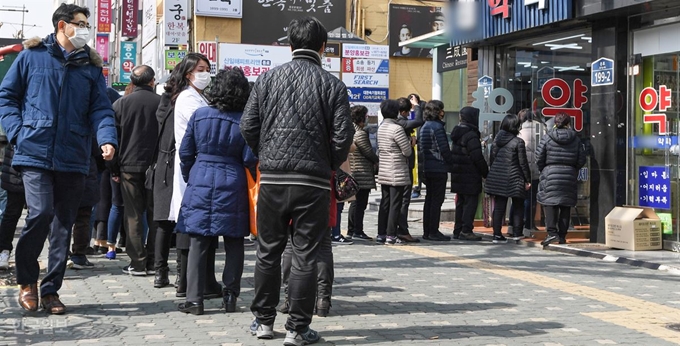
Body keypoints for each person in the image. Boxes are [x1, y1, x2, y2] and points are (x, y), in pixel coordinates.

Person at [241, 16, 353, 345]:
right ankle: (297, 329)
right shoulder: (333, 85)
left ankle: (263, 322)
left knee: (268, 251)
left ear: (289, 45)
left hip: (273, 178)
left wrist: (267, 154)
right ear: (323, 47)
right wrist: (327, 164)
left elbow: (248, 125)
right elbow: (343, 137)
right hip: (314, 182)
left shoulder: (266, 80)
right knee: (306, 253)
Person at [0, 3, 117, 314]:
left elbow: (101, 110)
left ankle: (51, 289)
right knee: (39, 214)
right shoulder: (31, 57)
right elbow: (7, 97)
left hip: (74, 155)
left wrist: (106, 138)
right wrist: (17, 132)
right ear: (63, 25)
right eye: (80, 24)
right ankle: (27, 281)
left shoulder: (90, 68)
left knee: (63, 224)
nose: (85, 30)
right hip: (34, 151)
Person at [176, 68, 257, 315]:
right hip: (233, 181)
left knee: (198, 240)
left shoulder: (200, 115)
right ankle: (230, 296)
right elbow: (249, 158)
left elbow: (185, 152)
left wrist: (192, 176)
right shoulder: (245, 121)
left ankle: (194, 300)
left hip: (200, 176)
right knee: (234, 241)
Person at [111, 65, 161, 278]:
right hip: (157, 167)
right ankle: (154, 261)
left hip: (128, 166)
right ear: (152, 82)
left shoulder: (120, 104)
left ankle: (138, 263)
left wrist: (113, 169)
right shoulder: (163, 104)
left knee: (132, 215)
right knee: (155, 216)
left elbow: (113, 140)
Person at [537, 113, 587, 246]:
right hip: (569, 174)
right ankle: (562, 236)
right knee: (565, 206)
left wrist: (545, 169)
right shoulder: (576, 139)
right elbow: (581, 159)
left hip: (550, 173)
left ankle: (552, 234)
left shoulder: (547, 137)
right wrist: (572, 169)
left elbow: (539, 157)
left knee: (550, 204)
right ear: (568, 123)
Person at [485, 114, 531, 243]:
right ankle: (517, 232)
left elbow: (492, 160)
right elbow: (523, 163)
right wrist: (527, 180)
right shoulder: (518, 142)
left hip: (498, 176)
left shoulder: (496, 140)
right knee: (518, 205)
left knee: (499, 206)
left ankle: (497, 234)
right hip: (515, 176)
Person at [376, 99, 413, 245]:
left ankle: (381, 233)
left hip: (384, 169)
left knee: (385, 202)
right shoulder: (396, 128)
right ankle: (391, 235)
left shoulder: (381, 127)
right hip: (396, 169)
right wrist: (411, 142)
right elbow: (407, 151)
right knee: (395, 203)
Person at [418, 100, 454, 241]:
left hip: (427, 167)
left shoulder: (424, 126)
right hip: (438, 167)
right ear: (438, 111)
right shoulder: (437, 127)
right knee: (437, 201)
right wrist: (451, 163)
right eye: (441, 109)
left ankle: (427, 231)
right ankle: (433, 231)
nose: (443, 112)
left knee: (429, 199)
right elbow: (443, 149)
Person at [450, 107, 488, 241]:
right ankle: (466, 230)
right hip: (470, 175)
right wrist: (485, 172)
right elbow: (477, 157)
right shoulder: (471, 135)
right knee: (470, 203)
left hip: (458, 174)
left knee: (460, 202)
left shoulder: (457, 133)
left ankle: (458, 229)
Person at [394, 96, 423, 243]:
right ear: (404, 112)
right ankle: (402, 230)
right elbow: (418, 121)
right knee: (403, 200)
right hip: (402, 167)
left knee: (394, 201)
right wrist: (417, 106)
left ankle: (390, 231)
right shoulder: (400, 122)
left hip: (392, 169)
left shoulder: (389, 123)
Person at [346, 105, 376, 241]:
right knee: (359, 204)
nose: (367, 118)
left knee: (355, 202)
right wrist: (378, 160)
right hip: (362, 173)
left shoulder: (350, 131)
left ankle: (352, 230)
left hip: (353, 171)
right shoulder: (360, 134)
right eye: (366, 116)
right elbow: (368, 152)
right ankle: (357, 230)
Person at [517, 108, 546, 233]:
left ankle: (515, 225)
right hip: (537, 169)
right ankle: (529, 224)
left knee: (518, 199)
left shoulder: (520, 130)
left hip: (521, 169)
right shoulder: (542, 129)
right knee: (532, 199)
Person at [0, 145, 24, 271]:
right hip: (15, 168)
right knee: (11, 213)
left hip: (40, 168)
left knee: (41, 214)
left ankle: (29, 254)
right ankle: (3, 251)